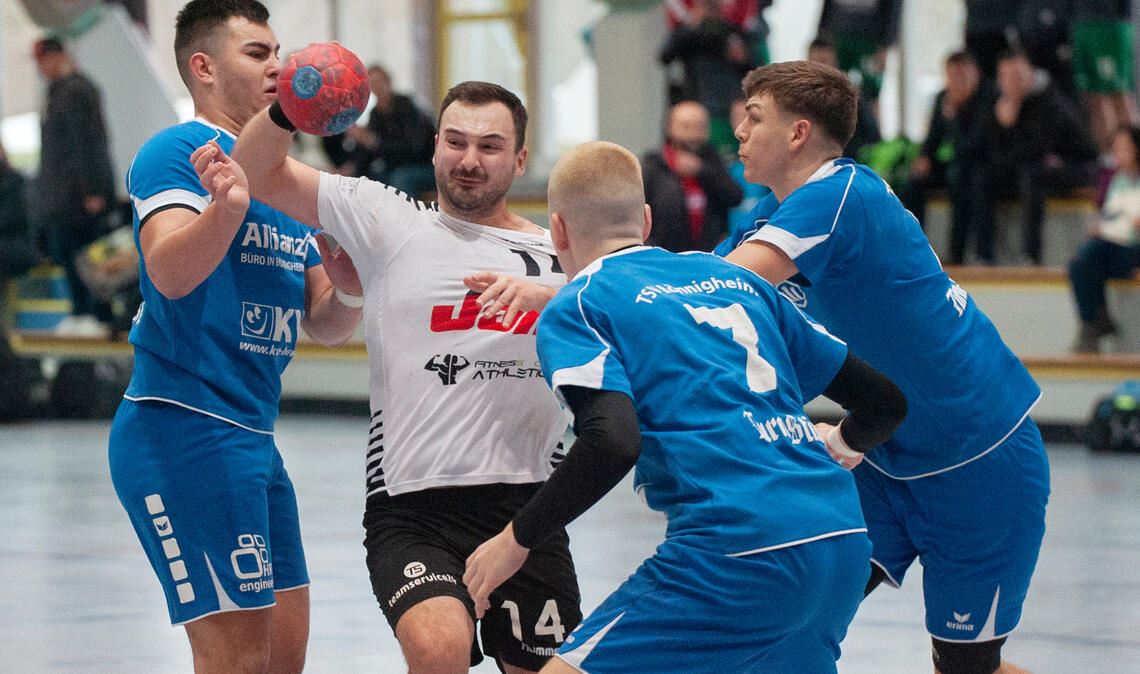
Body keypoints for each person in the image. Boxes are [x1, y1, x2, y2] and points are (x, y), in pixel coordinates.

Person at [462, 140, 907, 673]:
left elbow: (612, 440)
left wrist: (516, 539)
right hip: (841, 539)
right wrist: (837, 444)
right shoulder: (740, 282)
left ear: (557, 231)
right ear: (646, 220)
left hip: (735, 550)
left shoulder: (581, 305)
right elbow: (885, 403)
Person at [232, 80, 582, 673]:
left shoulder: (562, 258)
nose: (469, 160)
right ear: (434, 146)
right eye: (456, 141)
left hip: (528, 507)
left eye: (490, 146)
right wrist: (291, 105)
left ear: (521, 160)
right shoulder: (386, 218)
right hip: (414, 507)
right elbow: (253, 172)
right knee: (437, 647)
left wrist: (552, 297)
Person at [722, 60, 1050, 674]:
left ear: (798, 133)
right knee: (796, 609)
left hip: (980, 460)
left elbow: (712, 290)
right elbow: (686, 287)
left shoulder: (840, 194)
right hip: (887, 457)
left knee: (964, 667)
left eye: (754, 117)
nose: (737, 131)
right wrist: (566, 287)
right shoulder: (767, 218)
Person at [106, 2, 363, 671]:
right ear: (205, 68)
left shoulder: (279, 182)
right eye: (257, 52)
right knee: (238, 661)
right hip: (182, 428)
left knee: (283, 656)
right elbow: (170, 274)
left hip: (253, 438)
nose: (278, 64)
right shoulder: (180, 153)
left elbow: (328, 323)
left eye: (279, 50)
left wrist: (355, 280)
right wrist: (226, 210)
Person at [32, 36, 116, 328]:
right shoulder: (57, 93)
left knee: (88, 265)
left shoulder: (75, 91)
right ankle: (84, 315)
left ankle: (96, 316)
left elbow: (87, 143)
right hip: (61, 201)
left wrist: (93, 189)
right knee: (71, 264)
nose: (41, 68)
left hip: (77, 201)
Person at [986, 50, 1099, 265]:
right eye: (1007, 77)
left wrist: (1009, 127)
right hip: (1036, 165)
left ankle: (1031, 254)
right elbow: (996, 154)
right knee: (981, 175)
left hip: (1077, 165)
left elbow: (1035, 149)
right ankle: (982, 253)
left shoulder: (1049, 99)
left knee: (1032, 173)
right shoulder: (1001, 106)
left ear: (1030, 73)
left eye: (1018, 75)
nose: (1013, 82)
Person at [908, 50, 998, 264]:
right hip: (958, 162)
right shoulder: (943, 98)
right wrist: (925, 158)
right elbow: (933, 140)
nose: (957, 84)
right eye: (952, 78)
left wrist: (954, 118)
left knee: (964, 178)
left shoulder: (988, 98)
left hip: (983, 164)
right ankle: (913, 249)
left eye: (963, 77)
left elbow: (973, 146)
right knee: (915, 182)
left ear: (975, 74)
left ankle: (960, 253)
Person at [1068, 125, 1140, 352]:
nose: (1118, 153)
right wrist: (1101, 226)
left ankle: (1095, 321)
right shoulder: (1117, 181)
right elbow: (1112, 214)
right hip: (1114, 245)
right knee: (1080, 264)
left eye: (1123, 148)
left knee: (1089, 259)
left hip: (1134, 247)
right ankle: (1094, 319)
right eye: (1115, 148)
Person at [642, 100, 742, 252]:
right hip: (663, 252)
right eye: (685, 126)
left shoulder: (712, 160)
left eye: (700, 126)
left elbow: (735, 196)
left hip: (706, 251)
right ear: (670, 128)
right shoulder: (654, 163)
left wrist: (703, 171)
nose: (693, 134)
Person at [660, 0, 755, 154]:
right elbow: (665, 56)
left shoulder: (732, 30)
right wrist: (690, 25)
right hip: (696, 96)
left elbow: (753, 68)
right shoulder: (688, 29)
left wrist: (742, 57)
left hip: (730, 102)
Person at [348, 64, 437, 198]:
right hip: (397, 168)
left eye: (379, 82)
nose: (377, 87)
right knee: (370, 179)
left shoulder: (408, 107)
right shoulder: (375, 114)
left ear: (388, 82)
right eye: (373, 84)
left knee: (401, 178)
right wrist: (352, 170)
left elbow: (414, 148)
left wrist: (373, 141)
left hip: (426, 166)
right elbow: (369, 154)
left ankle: (407, 218)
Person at [1071, 0, 1138, 153]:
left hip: (1110, 23)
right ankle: (1109, 158)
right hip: (1082, 23)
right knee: (1093, 97)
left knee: (1119, 93)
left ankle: (1133, 155)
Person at [817, 0, 902, 103]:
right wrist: (822, 35)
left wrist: (886, 44)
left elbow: (893, 9)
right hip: (838, 36)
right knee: (834, 87)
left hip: (869, 41)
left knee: (871, 92)